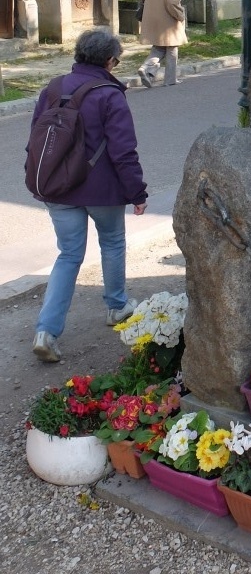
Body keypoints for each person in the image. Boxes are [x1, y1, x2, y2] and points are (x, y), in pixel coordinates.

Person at [30, 29, 148, 363]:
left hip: (57, 187)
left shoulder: (52, 88)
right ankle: (116, 306)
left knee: (68, 256)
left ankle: (46, 332)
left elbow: (36, 140)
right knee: (111, 242)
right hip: (103, 190)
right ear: (110, 61)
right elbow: (124, 151)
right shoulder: (110, 94)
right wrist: (137, 192)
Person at [138, 0, 187, 87]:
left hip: (151, 17)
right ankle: (170, 79)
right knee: (172, 49)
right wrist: (180, 15)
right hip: (167, 19)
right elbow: (172, 2)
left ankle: (147, 69)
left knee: (158, 48)